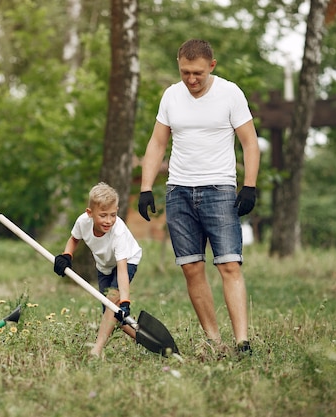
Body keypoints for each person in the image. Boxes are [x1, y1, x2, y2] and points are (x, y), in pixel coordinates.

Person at [138, 39, 260, 357]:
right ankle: (214, 341)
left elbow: (249, 142)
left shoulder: (230, 93)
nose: (191, 80)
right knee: (192, 268)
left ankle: (242, 342)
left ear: (212, 66)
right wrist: (146, 187)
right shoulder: (171, 96)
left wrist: (249, 185)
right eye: (185, 72)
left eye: (197, 73)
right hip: (178, 192)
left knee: (229, 265)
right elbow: (156, 143)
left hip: (219, 190)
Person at [53, 182, 143, 357]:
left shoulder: (118, 232)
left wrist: (125, 301)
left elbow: (122, 269)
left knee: (113, 303)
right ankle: (144, 339)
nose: (108, 220)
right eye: (103, 215)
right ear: (90, 213)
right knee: (112, 316)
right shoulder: (82, 222)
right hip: (104, 266)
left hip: (127, 260)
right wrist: (66, 256)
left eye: (113, 215)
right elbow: (74, 239)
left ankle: (97, 349)